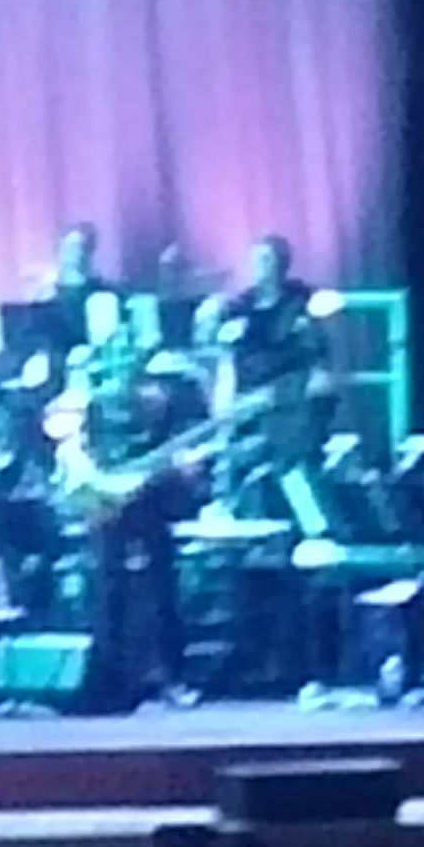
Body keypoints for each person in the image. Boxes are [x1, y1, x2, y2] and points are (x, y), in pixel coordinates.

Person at [53, 321, 203, 708]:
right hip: (108, 502)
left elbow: (172, 448)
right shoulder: (94, 404)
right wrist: (92, 492)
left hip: (149, 499)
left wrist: (178, 468)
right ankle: (110, 675)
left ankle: (170, 674)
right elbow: (80, 450)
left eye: (128, 355)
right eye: (115, 355)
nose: (122, 363)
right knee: (110, 589)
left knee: (161, 587)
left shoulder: (159, 401)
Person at [214, 233, 333, 476]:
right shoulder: (239, 307)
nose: (259, 266)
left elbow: (316, 361)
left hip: (287, 396)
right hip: (246, 398)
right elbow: (227, 360)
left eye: (266, 259)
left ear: (283, 264)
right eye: (255, 260)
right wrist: (225, 406)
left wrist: (274, 396)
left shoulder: (302, 302)